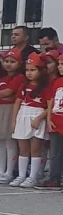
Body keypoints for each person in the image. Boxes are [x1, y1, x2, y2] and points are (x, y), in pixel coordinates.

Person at [9, 52, 50, 188]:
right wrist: (14, 120)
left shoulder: (45, 88)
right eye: (27, 70)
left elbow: (49, 106)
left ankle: (33, 176)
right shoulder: (23, 86)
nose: (29, 73)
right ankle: (21, 175)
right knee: (23, 148)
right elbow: (17, 103)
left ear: (41, 71)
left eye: (33, 70)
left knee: (35, 148)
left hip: (37, 116)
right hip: (23, 115)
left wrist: (39, 118)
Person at [0, 52, 24, 183]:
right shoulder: (1, 79)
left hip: (9, 110)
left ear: (19, 64)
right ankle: (1, 171)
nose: (8, 64)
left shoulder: (19, 78)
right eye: (6, 61)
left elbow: (10, 93)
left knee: (10, 142)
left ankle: (9, 171)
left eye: (12, 61)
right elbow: (3, 94)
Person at [42, 54, 63, 189]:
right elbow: (51, 101)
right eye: (59, 63)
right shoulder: (57, 82)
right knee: (55, 152)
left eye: (62, 64)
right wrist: (49, 119)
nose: (59, 67)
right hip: (56, 121)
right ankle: (54, 179)